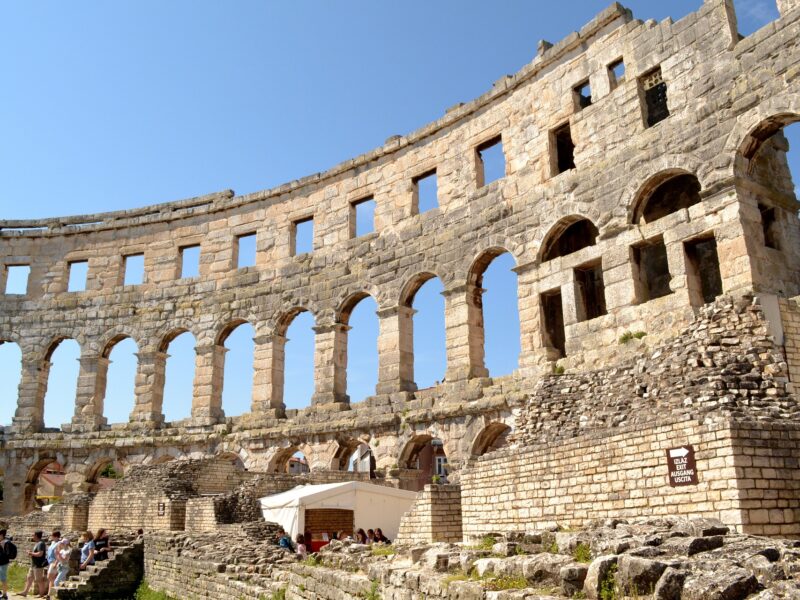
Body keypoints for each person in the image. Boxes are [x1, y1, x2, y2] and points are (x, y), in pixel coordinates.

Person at [21, 530, 48, 598]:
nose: (32, 536)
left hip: (38, 565)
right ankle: (25, 592)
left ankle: (41, 594)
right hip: (33, 564)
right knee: (29, 578)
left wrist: (31, 553)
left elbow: (40, 554)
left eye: (33, 535)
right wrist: (31, 553)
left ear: (36, 535)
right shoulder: (37, 543)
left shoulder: (41, 543)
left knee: (39, 580)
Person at [0, 529, 11, 600]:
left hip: (3, 563)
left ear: (1, 535)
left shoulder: (5, 543)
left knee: (3, 578)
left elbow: (6, 554)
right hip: (1, 562)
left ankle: (5, 594)